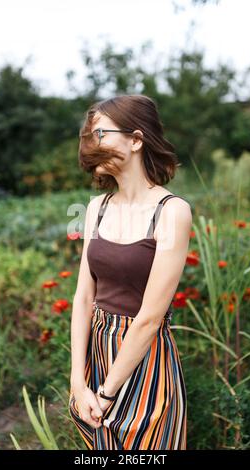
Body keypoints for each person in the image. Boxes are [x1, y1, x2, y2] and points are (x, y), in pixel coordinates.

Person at [68, 94, 192, 450]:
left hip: (144, 360)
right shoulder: (96, 208)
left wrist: (107, 393)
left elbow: (150, 319)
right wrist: (79, 381)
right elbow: (83, 297)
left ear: (136, 140)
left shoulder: (171, 211)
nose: (94, 144)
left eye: (102, 134)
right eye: (91, 136)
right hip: (96, 353)